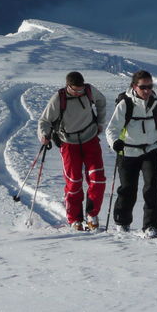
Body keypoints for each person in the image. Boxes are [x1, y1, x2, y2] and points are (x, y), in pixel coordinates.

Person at [38, 71, 107, 231]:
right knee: (74, 181)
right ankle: (75, 219)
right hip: (69, 143)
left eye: (80, 89)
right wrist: (44, 134)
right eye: (75, 90)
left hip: (90, 138)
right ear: (67, 86)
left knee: (98, 179)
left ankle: (92, 214)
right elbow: (45, 120)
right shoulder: (59, 98)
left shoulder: (89, 91)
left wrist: (100, 122)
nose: (78, 92)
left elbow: (101, 101)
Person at [105, 70, 157, 238]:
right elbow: (111, 129)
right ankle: (122, 221)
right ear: (134, 86)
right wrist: (115, 143)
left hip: (151, 151)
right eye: (143, 87)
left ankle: (151, 226)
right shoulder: (125, 104)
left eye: (150, 86)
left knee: (153, 189)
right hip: (127, 151)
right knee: (127, 189)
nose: (147, 90)